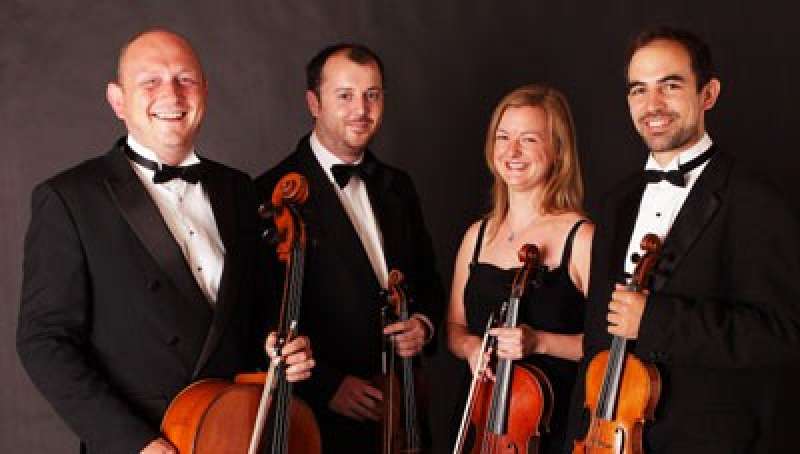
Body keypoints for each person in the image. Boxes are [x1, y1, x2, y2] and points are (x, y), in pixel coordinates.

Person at [16, 29, 314, 454]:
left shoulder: (238, 189)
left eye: (184, 79)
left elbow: (252, 311)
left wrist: (276, 345)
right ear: (118, 101)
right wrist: (134, 442)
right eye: (150, 81)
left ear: (204, 91)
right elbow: (44, 342)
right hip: (141, 441)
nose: (171, 94)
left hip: (233, 434)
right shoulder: (69, 198)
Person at [566, 26, 800, 453]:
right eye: (639, 90)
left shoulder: (754, 200)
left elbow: (784, 333)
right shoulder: (616, 203)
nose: (652, 105)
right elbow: (596, 345)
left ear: (708, 94)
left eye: (670, 86)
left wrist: (655, 320)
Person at [255, 43, 445, 452]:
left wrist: (423, 325)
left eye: (372, 95)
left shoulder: (398, 185)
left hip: (401, 408)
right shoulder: (269, 193)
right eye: (345, 96)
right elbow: (260, 316)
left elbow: (429, 280)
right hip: (323, 421)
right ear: (314, 103)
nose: (361, 109)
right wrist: (327, 386)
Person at [447, 84, 592, 453]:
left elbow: (609, 344)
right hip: (482, 421)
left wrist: (540, 341)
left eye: (528, 139)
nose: (511, 151)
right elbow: (455, 327)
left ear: (558, 150)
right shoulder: (477, 236)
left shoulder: (580, 237)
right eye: (503, 137)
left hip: (550, 429)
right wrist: (471, 347)